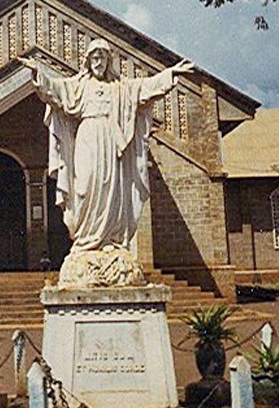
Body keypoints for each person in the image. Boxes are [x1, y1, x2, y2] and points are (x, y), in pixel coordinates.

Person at [20, 40, 193, 253]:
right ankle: (86, 237)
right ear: (88, 60)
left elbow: (144, 88)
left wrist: (170, 75)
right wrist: (39, 72)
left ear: (108, 61)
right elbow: (56, 90)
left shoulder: (119, 87)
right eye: (94, 58)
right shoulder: (79, 85)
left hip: (110, 139)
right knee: (85, 184)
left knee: (110, 186)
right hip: (87, 137)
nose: (98, 62)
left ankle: (108, 239)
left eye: (102, 58)